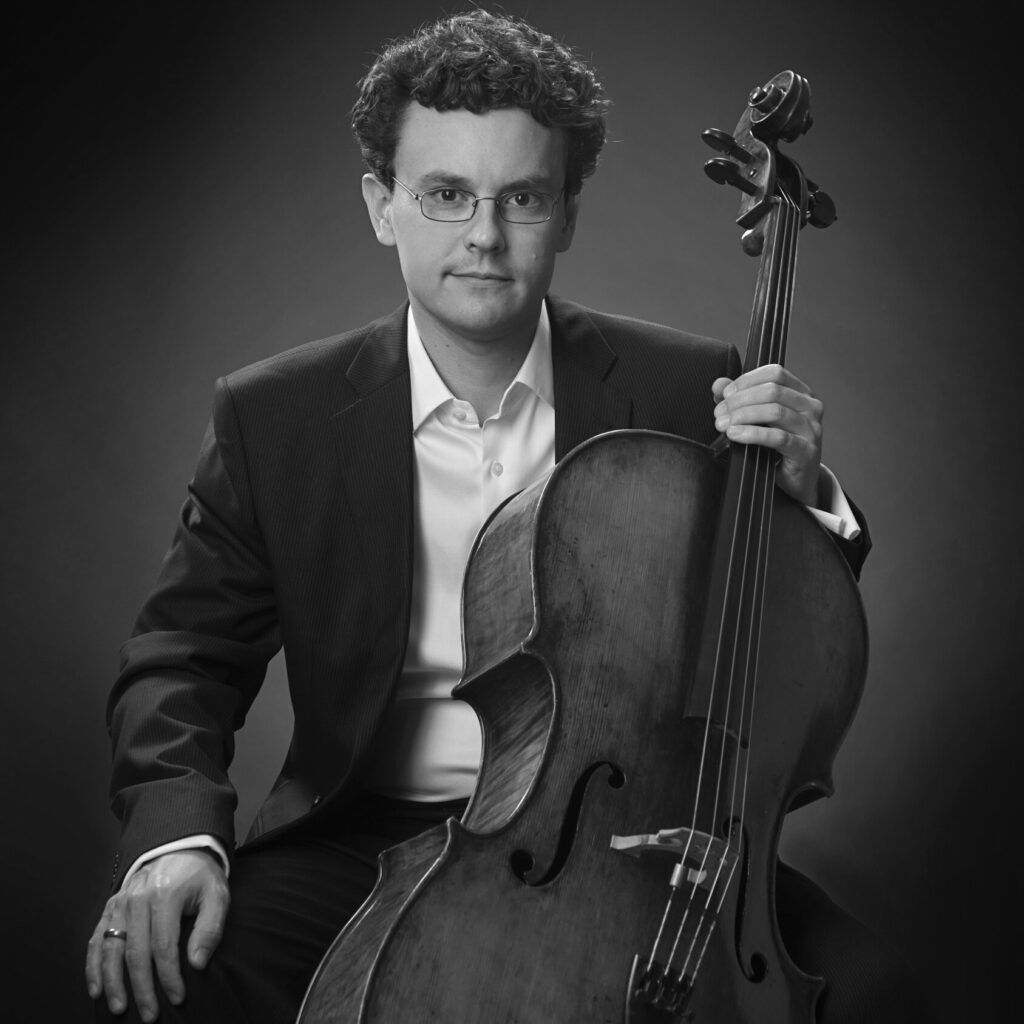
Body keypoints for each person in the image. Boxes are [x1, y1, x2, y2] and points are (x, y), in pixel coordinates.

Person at [87, 10, 920, 1023]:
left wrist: (804, 496)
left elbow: (780, 628)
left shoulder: (688, 386)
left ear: (566, 212)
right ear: (381, 205)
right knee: (167, 977)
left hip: (630, 840)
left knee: (871, 990)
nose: (483, 235)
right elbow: (183, 652)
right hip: (366, 838)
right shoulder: (275, 416)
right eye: (445, 194)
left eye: (522, 197)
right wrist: (176, 839)